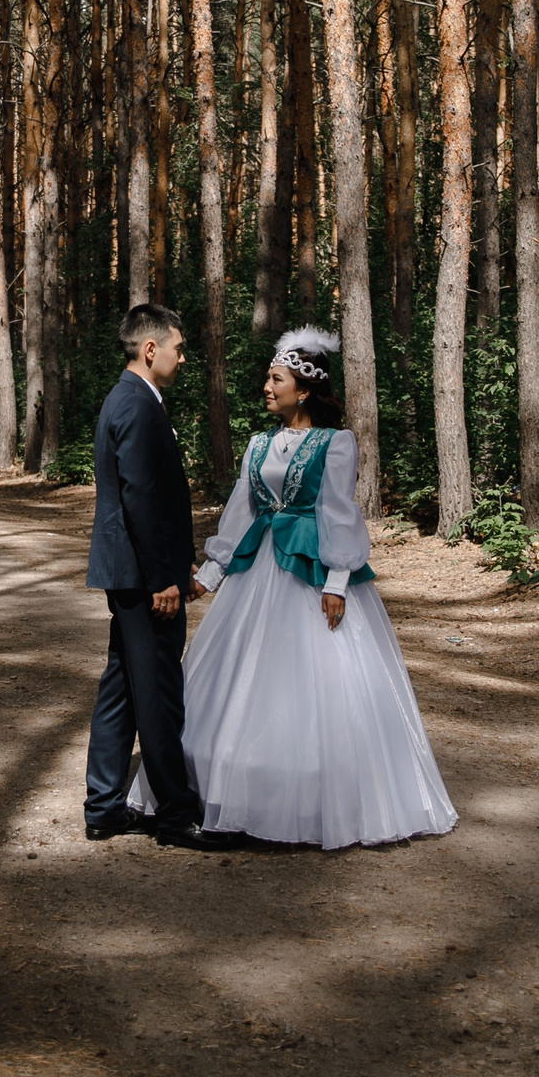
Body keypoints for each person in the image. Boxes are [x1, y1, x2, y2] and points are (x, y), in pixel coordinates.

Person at [135, 326, 458, 849]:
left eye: (276, 378)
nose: (266, 386)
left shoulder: (335, 443)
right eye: (267, 377)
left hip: (309, 571)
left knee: (316, 684)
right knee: (239, 678)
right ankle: (230, 787)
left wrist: (337, 580)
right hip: (259, 569)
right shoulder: (258, 443)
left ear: (303, 389)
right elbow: (242, 510)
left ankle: (310, 801)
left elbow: (338, 512)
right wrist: (209, 573)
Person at [82, 303, 225, 851]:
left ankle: (104, 807)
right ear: (150, 349)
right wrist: (163, 577)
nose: (181, 356)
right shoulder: (138, 405)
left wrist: (179, 556)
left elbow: (153, 500)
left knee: (120, 688)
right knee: (160, 692)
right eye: (178, 347)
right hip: (143, 579)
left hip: (133, 571)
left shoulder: (129, 398)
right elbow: (141, 500)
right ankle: (175, 816)